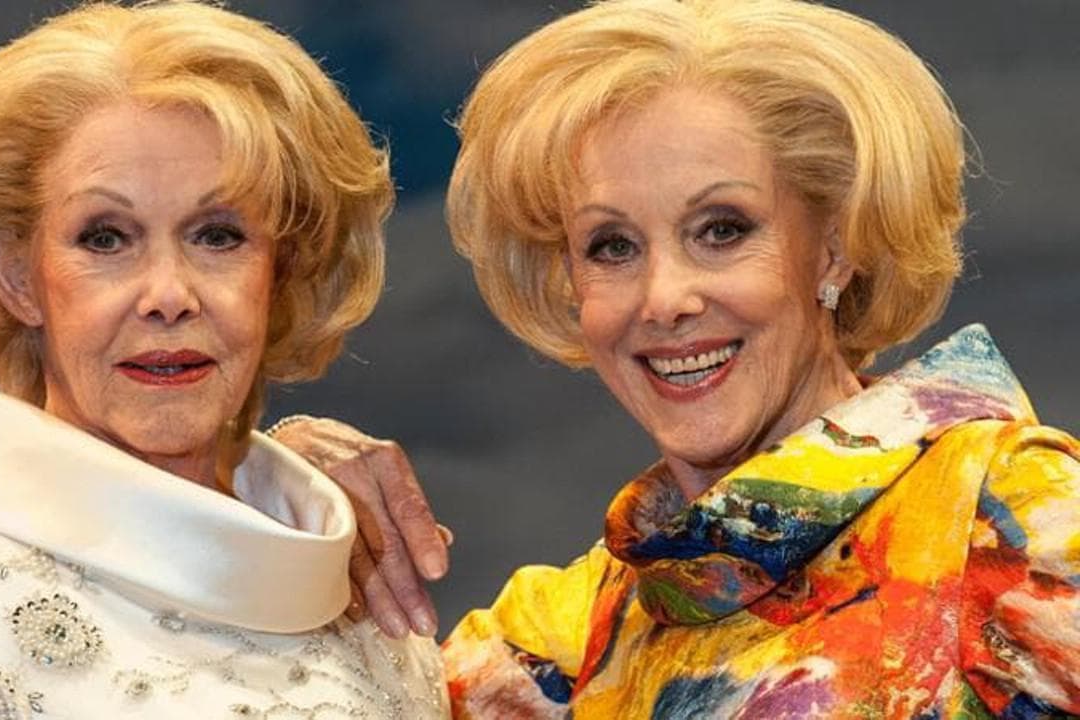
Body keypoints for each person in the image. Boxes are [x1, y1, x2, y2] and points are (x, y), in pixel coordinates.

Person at [270, 0, 1080, 717]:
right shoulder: (563, 641)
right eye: (612, 246)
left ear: (836, 247)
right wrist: (267, 485)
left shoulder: (1009, 516)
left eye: (721, 230)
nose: (663, 298)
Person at [0, 2, 449, 718]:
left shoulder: (361, 593)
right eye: (105, 238)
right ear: (16, 277)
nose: (169, 296)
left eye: (218, 236)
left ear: (282, 268)